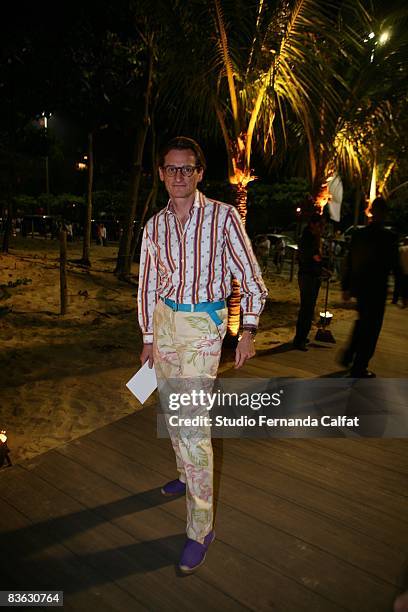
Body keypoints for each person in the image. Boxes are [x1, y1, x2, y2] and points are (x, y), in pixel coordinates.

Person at [138, 136, 267, 574]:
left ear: (198, 173)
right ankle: (183, 473)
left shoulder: (223, 217)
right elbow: (147, 286)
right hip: (165, 324)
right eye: (171, 168)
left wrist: (247, 330)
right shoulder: (153, 226)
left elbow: (252, 280)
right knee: (172, 410)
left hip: (202, 329)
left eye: (186, 168)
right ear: (161, 173)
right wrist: (148, 335)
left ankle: (200, 529)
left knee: (193, 429)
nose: (178, 176)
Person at [341, 197, 400, 377]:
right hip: (377, 289)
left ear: (371, 212)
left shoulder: (359, 234)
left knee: (362, 322)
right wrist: (402, 292)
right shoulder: (389, 237)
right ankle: (360, 365)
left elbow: (349, 261)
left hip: (361, 288)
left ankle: (350, 353)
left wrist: (347, 286)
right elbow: (395, 266)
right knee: (372, 329)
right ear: (385, 213)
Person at [293, 213, 323, 351]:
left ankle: (301, 337)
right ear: (313, 224)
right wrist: (317, 259)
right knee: (307, 308)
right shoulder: (308, 239)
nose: (320, 228)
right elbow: (313, 257)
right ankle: (299, 339)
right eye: (319, 225)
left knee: (308, 308)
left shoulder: (310, 238)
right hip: (308, 276)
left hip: (311, 275)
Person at [392, 237, 408, 307]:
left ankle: (396, 299)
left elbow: (397, 260)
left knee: (399, 285)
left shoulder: (401, 249)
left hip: (401, 270)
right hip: (405, 270)